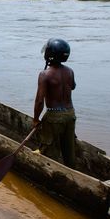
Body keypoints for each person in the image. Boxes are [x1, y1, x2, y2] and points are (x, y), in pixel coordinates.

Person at [33, 38, 77, 168]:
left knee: (48, 147)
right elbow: (73, 86)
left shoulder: (44, 74)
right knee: (69, 149)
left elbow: (39, 101)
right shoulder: (70, 71)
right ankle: (71, 169)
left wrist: (36, 119)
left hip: (54, 117)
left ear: (49, 55)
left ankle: (49, 170)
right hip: (70, 114)